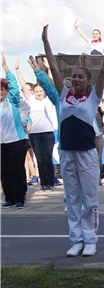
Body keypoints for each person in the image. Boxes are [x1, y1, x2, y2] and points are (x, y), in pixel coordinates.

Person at [42, 23, 104, 257]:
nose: (75, 79)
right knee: (72, 199)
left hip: (86, 153)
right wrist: (46, 41)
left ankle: (91, 239)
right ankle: (76, 239)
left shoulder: (93, 98)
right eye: (73, 76)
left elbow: (103, 71)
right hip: (67, 152)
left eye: (80, 77)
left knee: (90, 200)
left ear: (88, 81)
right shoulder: (64, 95)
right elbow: (53, 66)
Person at [14, 59, 57, 192]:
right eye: (37, 91)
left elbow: (51, 85)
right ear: (33, 92)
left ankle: (50, 182)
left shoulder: (49, 100)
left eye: (41, 91)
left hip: (48, 133)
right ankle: (43, 183)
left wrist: (48, 69)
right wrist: (17, 70)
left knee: (48, 159)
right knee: (40, 160)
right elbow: (22, 83)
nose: (39, 93)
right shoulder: (31, 100)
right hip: (34, 134)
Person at [1, 53, 29, 209]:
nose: (0, 92)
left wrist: (6, 68)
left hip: (15, 141)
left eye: (2, 89)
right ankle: (9, 197)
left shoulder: (12, 100)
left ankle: (20, 197)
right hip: (2, 143)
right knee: (4, 171)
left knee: (17, 170)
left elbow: (13, 84)